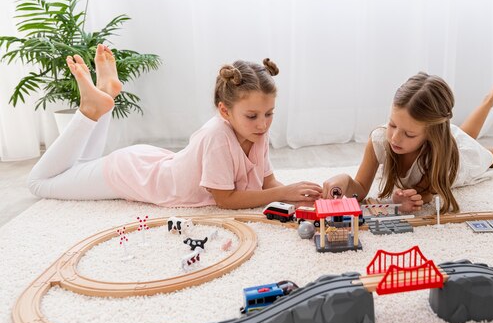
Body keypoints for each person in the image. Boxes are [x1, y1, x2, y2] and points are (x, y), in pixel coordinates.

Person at [28, 44, 322, 208]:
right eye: (253, 116)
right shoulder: (218, 136)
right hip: (131, 175)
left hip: (151, 163)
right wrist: (281, 194)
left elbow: (268, 182)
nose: (263, 124)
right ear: (225, 110)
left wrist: (297, 196)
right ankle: (91, 111)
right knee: (39, 184)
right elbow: (226, 199)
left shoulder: (256, 132)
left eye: (269, 114)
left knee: (82, 163)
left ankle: (103, 98)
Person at [322, 72, 493, 213]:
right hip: (446, 140)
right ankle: (489, 99)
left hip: (452, 157)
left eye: (409, 134)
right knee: (466, 135)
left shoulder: (442, 156)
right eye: (392, 124)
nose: (394, 138)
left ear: (431, 135)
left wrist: (410, 200)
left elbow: (428, 192)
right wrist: (345, 180)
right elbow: (361, 191)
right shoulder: (380, 140)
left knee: (489, 155)